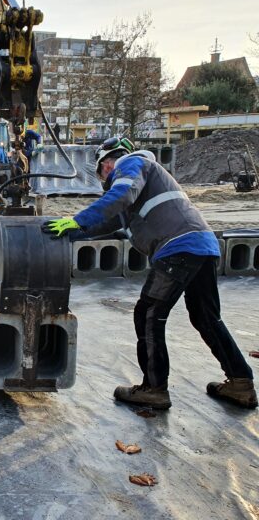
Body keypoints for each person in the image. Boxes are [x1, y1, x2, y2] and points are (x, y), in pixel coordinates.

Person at [42, 136, 257, 410]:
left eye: (101, 176)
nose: (104, 182)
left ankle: (153, 388)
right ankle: (241, 383)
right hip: (201, 245)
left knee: (148, 314)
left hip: (177, 248)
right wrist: (69, 230)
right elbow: (106, 221)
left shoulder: (131, 163)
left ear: (106, 164)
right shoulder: (143, 188)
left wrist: (78, 218)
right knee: (206, 317)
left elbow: (119, 195)